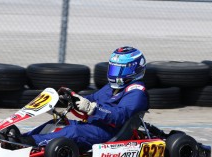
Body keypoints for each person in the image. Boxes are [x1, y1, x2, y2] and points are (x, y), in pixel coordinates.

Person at [8, 46, 149, 150]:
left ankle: (26, 143)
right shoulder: (112, 87)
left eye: (120, 69)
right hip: (93, 126)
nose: (115, 73)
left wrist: (92, 108)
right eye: (113, 68)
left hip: (110, 133)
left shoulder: (136, 91)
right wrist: (69, 100)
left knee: (74, 132)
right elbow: (92, 97)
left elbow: (120, 115)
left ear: (133, 69)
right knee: (57, 123)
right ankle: (21, 138)